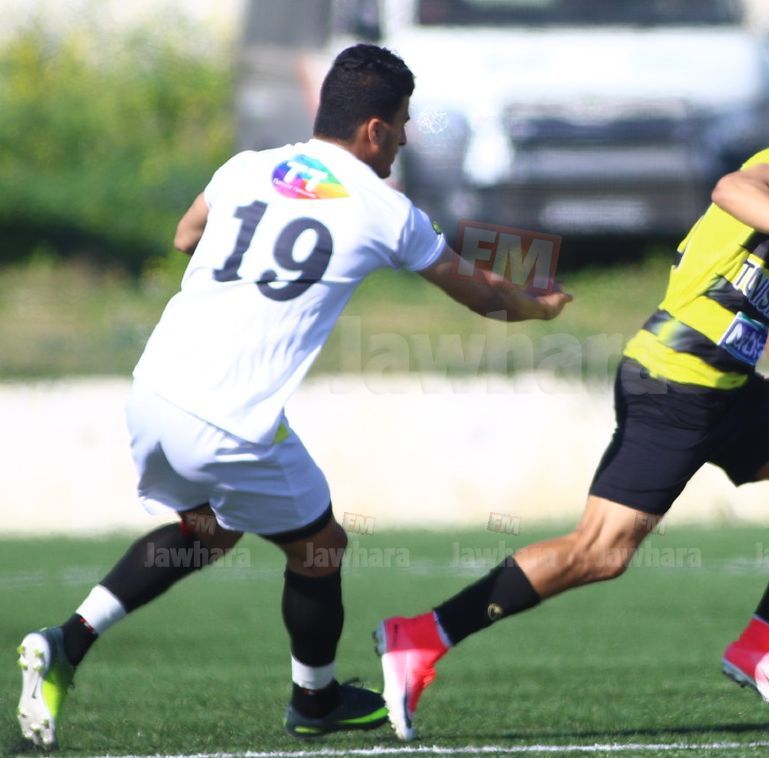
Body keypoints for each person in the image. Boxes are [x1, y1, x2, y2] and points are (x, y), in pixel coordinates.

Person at [15, 43, 571, 750]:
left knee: (207, 532)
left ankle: (68, 640)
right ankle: (315, 699)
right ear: (374, 128)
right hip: (231, 422)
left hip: (153, 393)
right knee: (321, 548)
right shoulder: (384, 209)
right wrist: (539, 306)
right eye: (402, 124)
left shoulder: (247, 166)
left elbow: (186, 235)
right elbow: (483, 293)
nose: (404, 139)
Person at [375, 62, 769, 739]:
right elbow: (734, 189)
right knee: (600, 552)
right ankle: (421, 635)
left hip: (728, 387)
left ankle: (761, 645)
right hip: (674, 381)